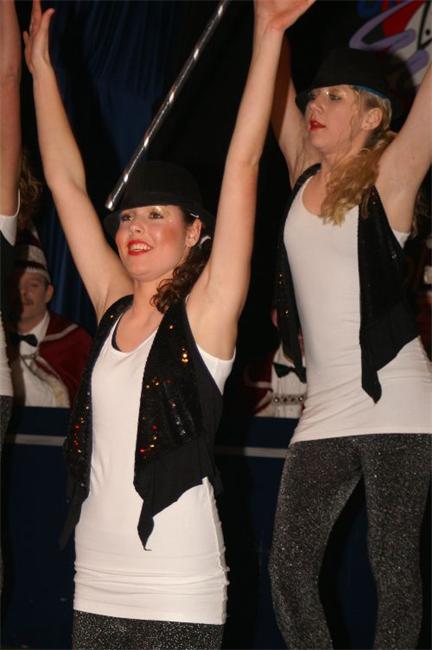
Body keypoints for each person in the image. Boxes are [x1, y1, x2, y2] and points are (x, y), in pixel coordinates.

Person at [24, 0, 314, 647]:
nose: (135, 227)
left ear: (194, 234)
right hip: (96, 579)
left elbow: (242, 166)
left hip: (178, 587)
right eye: (128, 217)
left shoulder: (207, 315)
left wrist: (268, 37)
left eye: (157, 215)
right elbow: (65, 184)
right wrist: (41, 72)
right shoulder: (111, 305)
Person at [266, 4, 432, 647]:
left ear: (372, 116)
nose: (316, 104)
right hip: (324, 406)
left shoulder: (392, 176)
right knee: (288, 570)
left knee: (392, 564)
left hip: (398, 396)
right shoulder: (301, 169)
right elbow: (271, 79)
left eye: (335, 96)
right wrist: (267, 23)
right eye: (315, 96)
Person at [8, 228, 92, 407]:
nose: (23, 293)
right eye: (15, 284)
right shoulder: (3, 333)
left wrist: (11, 357)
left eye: (33, 285)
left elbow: (64, 406)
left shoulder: (75, 341)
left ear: (48, 293)